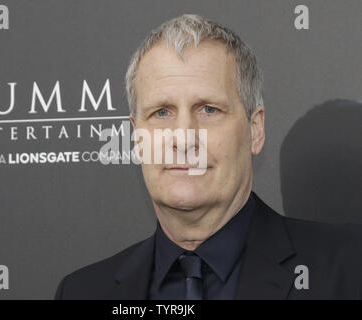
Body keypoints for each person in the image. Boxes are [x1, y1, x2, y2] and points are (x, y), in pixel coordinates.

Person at [55, 14, 362, 300]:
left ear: (255, 130)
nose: (184, 137)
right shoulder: (82, 292)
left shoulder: (349, 267)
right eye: (161, 112)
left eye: (209, 110)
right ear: (137, 138)